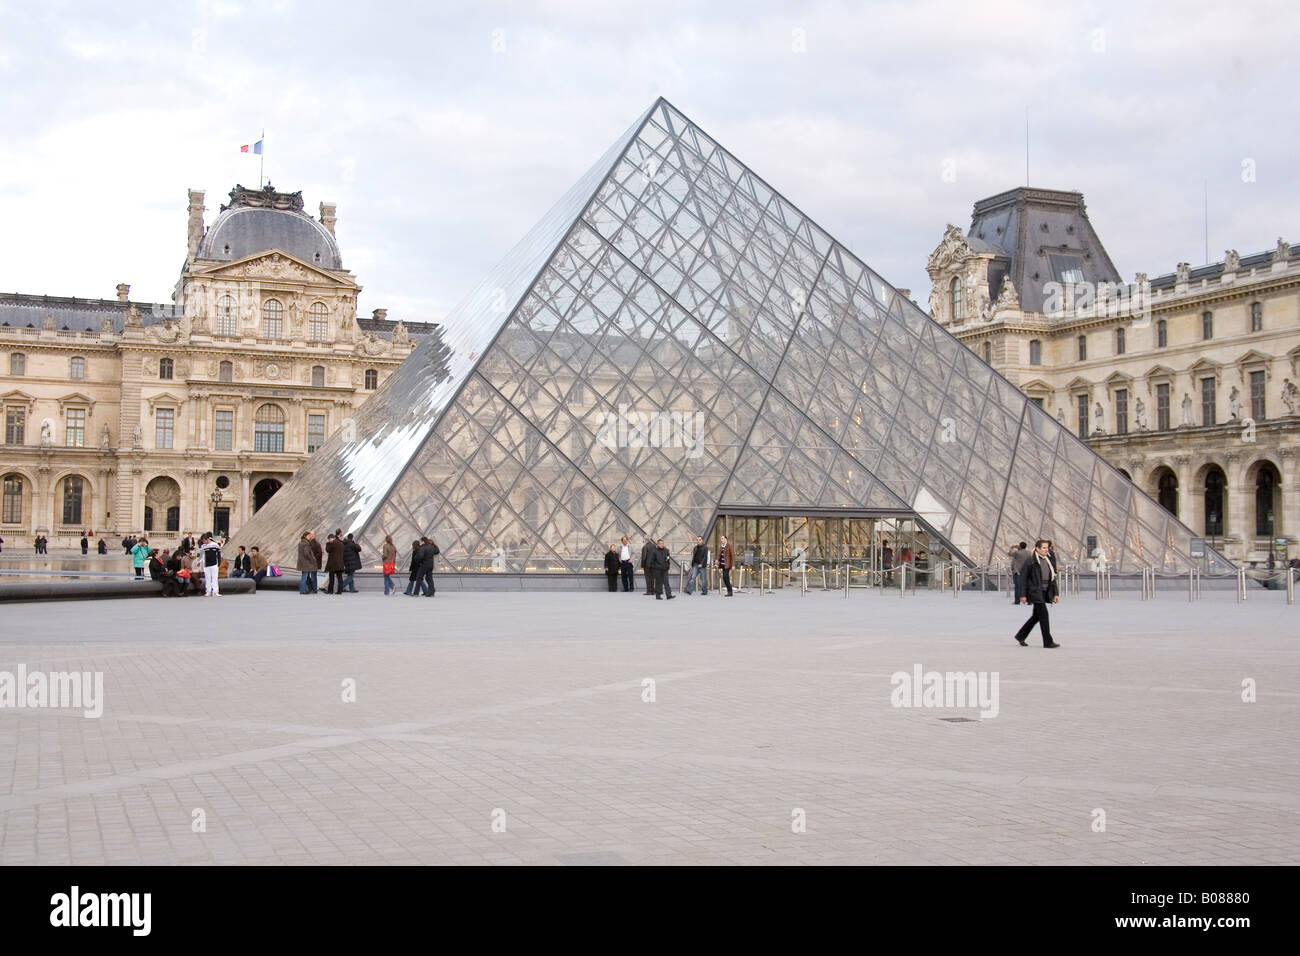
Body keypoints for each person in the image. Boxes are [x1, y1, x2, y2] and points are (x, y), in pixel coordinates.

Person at [1014, 539, 1061, 648]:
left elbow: (1053, 578)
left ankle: (1021, 635)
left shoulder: (1048, 559)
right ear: (1037, 548)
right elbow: (1023, 578)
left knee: (1036, 616)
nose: (1046, 550)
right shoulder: (1030, 560)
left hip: (1045, 591)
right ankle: (1048, 642)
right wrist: (1023, 595)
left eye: (1047, 547)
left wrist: (1056, 593)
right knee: (1044, 615)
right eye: (1044, 548)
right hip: (1035, 591)